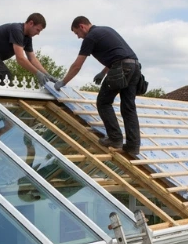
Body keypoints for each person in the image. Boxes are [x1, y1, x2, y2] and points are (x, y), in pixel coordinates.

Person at [54, 16, 142, 156]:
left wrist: (63, 82)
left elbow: (77, 65)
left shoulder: (91, 37)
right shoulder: (106, 30)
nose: (78, 37)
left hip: (122, 67)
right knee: (128, 107)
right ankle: (133, 146)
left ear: (82, 26)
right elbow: (117, 54)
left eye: (77, 33)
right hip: (135, 67)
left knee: (103, 102)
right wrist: (103, 73)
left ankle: (115, 139)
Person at [0, 13, 56, 87]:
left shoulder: (27, 38)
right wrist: (38, 74)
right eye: (37, 30)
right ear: (31, 23)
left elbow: (32, 59)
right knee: (4, 78)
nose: (38, 33)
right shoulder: (16, 30)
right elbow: (20, 58)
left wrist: (47, 75)